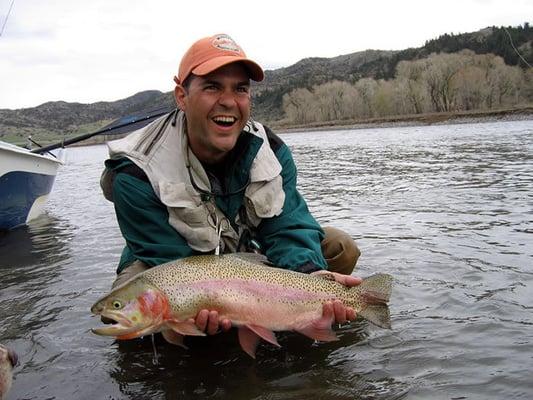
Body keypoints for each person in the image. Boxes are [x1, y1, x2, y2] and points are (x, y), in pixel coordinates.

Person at [100, 33, 361, 335]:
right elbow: (171, 264)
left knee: (339, 247)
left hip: (244, 257)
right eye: (212, 87)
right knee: (128, 324)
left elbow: (287, 226)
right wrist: (205, 306)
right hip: (165, 265)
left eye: (240, 89)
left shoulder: (270, 150)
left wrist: (311, 278)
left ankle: (300, 314)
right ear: (181, 97)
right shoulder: (135, 170)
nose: (228, 101)